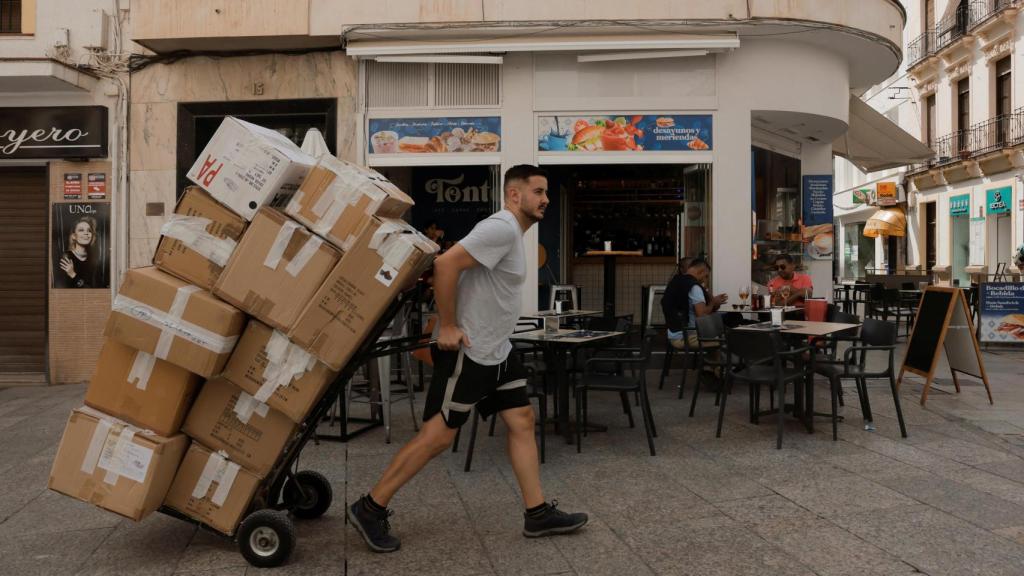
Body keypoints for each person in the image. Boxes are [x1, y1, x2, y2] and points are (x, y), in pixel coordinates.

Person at [348, 165, 588, 553]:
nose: (545, 199)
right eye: (538, 191)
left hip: (498, 351)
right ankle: (370, 507)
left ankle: (537, 513)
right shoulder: (502, 227)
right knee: (438, 436)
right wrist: (447, 325)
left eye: (546, 193)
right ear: (514, 195)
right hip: (472, 353)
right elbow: (445, 264)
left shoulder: (512, 233)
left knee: (522, 420)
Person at [661, 258, 726, 349]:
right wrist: (713, 302)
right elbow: (702, 315)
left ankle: (711, 361)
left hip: (673, 333)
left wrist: (712, 301)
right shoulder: (694, 287)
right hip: (687, 336)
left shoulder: (675, 281)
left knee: (721, 325)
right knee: (728, 337)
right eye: (706, 276)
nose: (704, 280)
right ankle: (715, 362)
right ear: (701, 271)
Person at [56, 216, 101, 289]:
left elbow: (94, 290)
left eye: (89, 230)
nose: (86, 233)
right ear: (74, 236)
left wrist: (73, 275)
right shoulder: (67, 257)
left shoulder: (94, 260)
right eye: (81, 230)